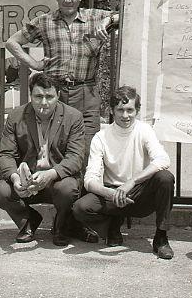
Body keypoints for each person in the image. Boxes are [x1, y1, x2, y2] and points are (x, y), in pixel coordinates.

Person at [5, 0, 119, 156]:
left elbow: (125, 14)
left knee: (88, 147)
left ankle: (83, 184)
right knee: (53, 145)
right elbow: (12, 42)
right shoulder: (44, 21)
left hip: (86, 93)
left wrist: (108, 21)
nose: (68, 0)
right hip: (53, 94)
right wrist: (34, 63)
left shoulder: (94, 17)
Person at [0, 73, 97, 246]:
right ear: (30, 95)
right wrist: (15, 178)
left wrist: (51, 174)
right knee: (0, 192)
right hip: (28, 181)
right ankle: (28, 221)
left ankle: (61, 225)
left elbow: (75, 157)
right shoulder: (16, 117)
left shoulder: (74, 117)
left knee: (68, 189)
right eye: (38, 96)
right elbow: (5, 154)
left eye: (49, 97)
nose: (44, 103)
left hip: (57, 179)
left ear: (58, 95)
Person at [72, 86, 176, 259]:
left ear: (137, 110)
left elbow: (163, 159)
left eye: (130, 110)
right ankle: (111, 225)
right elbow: (90, 179)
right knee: (80, 208)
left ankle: (161, 237)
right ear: (112, 110)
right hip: (112, 193)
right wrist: (111, 193)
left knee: (165, 178)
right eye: (120, 110)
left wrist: (132, 182)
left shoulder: (144, 130)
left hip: (138, 192)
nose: (125, 115)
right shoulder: (101, 137)